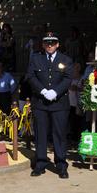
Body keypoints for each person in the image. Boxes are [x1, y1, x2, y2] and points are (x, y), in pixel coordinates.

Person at [27, 32, 72, 179]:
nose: (50, 45)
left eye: (53, 42)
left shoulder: (66, 59)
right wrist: (42, 90)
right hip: (40, 103)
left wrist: (55, 91)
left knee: (59, 135)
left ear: (58, 44)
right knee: (40, 134)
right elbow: (31, 77)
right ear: (43, 44)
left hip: (59, 104)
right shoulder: (36, 59)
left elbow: (68, 78)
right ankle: (40, 163)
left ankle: (61, 164)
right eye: (47, 42)